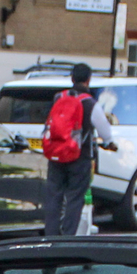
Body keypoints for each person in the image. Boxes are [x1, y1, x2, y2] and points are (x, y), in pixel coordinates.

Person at [40, 63, 106, 238]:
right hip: (79, 157)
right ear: (88, 80)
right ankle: (67, 239)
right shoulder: (90, 103)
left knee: (54, 197)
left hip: (56, 156)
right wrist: (109, 142)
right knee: (75, 199)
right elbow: (105, 131)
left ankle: (51, 237)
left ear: (72, 78)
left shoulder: (58, 98)